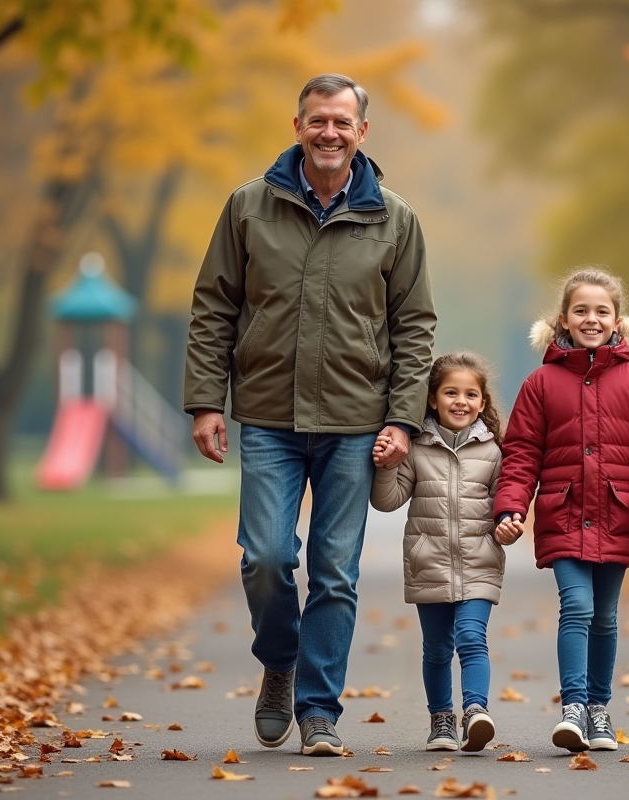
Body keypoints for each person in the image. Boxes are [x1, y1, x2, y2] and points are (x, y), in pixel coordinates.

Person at [183, 73, 436, 757]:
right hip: (268, 415)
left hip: (357, 422)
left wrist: (403, 419)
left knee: (335, 573)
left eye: (342, 122)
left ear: (362, 132)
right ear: (297, 126)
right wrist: (207, 401)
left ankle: (319, 712)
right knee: (265, 558)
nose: (329, 133)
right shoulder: (248, 207)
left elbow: (414, 327)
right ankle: (280, 662)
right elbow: (213, 307)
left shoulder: (395, 218)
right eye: (317, 120)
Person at [493, 266, 629, 753]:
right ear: (563, 319)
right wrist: (510, 507)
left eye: (601, 311)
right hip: (564, 512)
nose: (591, 319)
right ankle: (574, 707)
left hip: (618, 512)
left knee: (605, 616)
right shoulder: (541, 383)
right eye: (581, 310)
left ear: (617, 320)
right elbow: (521, 453)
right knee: (577, 605)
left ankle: (599, 709)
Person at [370, 352, 509, 753]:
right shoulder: (416, 447)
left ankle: (476, 711)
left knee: (472, 637)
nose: (460, 401)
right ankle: (442, 720)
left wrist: (508, 526)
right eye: (451, 392)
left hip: (480, 564)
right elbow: (387, 501)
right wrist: (386, 466)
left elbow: (507, 505)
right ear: (432, 399)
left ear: (482, 402)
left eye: (470, 394)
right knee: (436, 649)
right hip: (427, 563)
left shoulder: (495, 452)